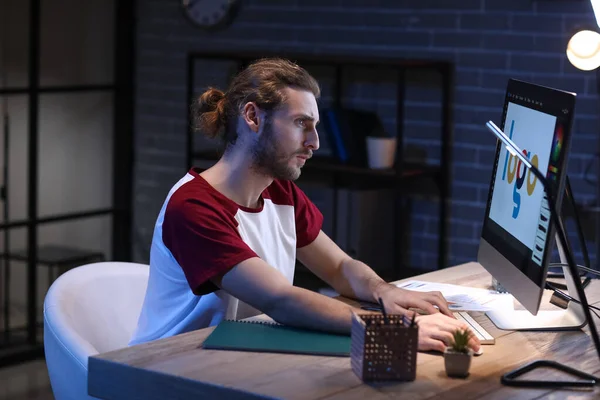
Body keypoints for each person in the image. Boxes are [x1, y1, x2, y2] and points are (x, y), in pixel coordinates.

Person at [129, 58, 480, 353]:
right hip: (167, 368)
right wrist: (394, 328)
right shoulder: (192, 207)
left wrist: (384, 291)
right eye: (301, 124)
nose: (314, 142)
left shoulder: (279, 190)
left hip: (233, 356)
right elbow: (281, 300)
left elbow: (339, 268)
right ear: (253, 117)